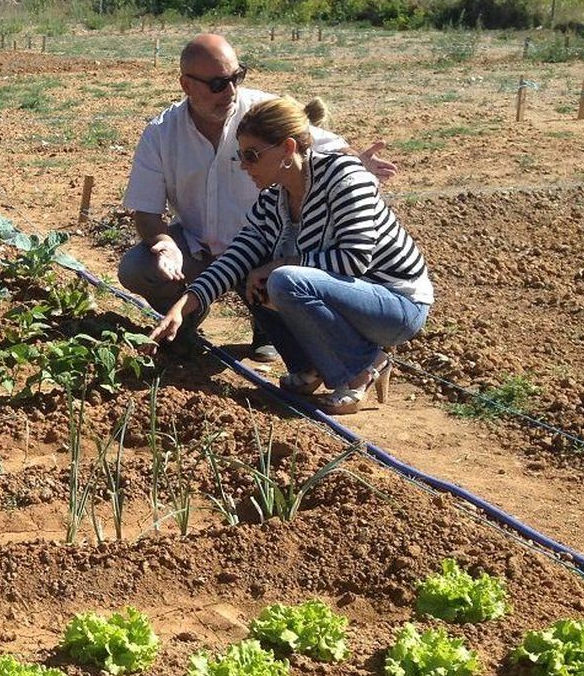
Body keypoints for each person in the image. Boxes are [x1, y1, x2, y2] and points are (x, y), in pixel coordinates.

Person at [147, 96, 433, 415]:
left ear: (286, 149)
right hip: (348, 298)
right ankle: (311, 365)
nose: (244, 166)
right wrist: (183, 306)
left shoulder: (346, 178)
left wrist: (280, 264)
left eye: (252, 156)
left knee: (282, 279)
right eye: (240, 156)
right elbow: (236, 257)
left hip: (395, 304)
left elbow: (354, 259)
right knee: (251, 273)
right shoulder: (274, 198)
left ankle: (366, 364)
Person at [120, 33, 395, 361]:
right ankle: (188, 317)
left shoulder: (259, 114)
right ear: (187, 85)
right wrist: (164, 243)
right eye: (219, 84)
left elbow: (325, 146)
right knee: (138, 267)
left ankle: (268, 327)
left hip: (261, 249)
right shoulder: (161, 134)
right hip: (198, 248)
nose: (231, 91)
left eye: (237, 77)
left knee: (287, 269)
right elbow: (146, 212)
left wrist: (353, 164)